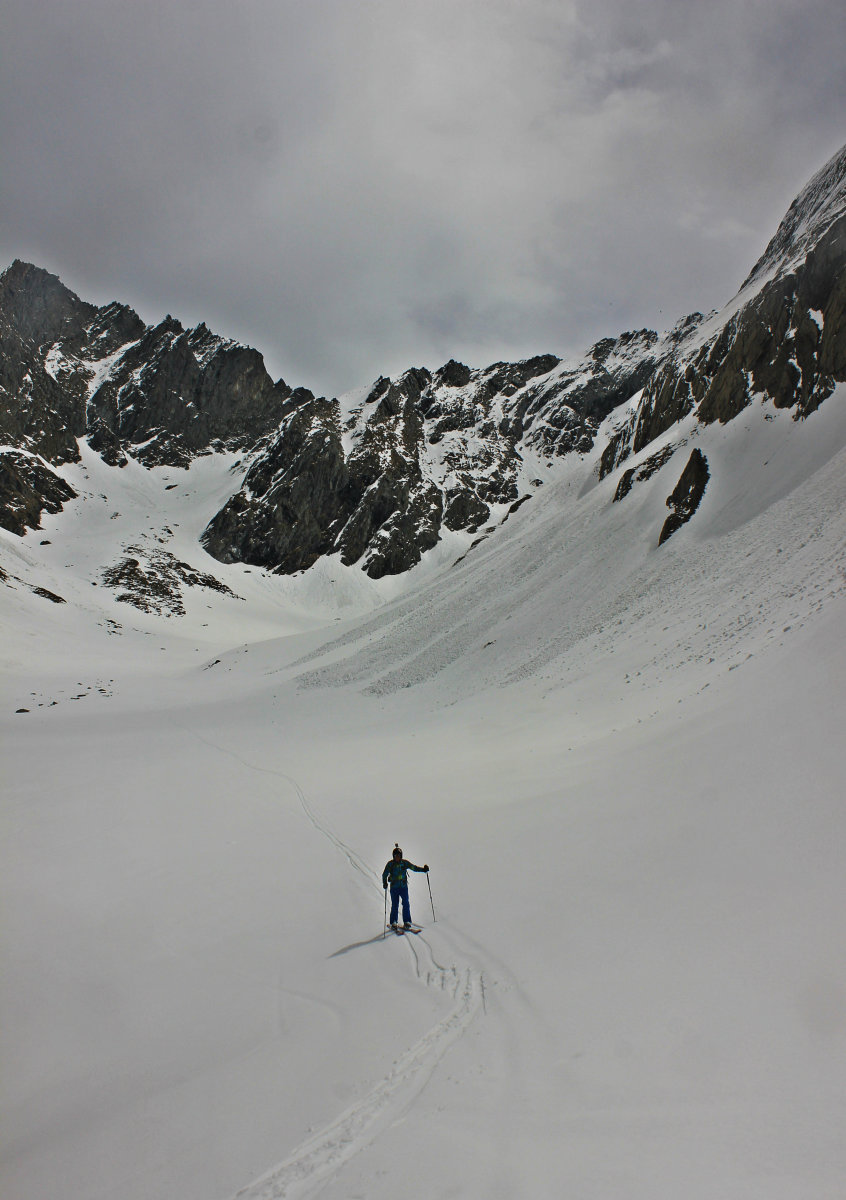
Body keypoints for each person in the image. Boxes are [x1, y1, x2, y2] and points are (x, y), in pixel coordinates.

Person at [382, 843, 428, 929]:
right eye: (395, 856)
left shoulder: (404, 863)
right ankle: (393, 922)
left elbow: (414, 868)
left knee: (406, 903)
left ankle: (407, 921)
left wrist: (423, 870)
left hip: (403, 887)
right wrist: (384, 882)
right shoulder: (390, 864)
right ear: (393, 856)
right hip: (394, 888)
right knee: (395, 904)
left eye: (399, 855)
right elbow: (384, 874)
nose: (397, 857)